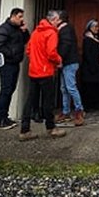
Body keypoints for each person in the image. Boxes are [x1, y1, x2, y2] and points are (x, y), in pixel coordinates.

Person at [21, 11, 67, 141]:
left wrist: (35, 60)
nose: (59, 22)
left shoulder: (36, 32)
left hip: (33, 71)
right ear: (53, 20)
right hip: (45, 72)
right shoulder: (51, 33)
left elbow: (28, 50)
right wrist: (59, 61)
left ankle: (25, 130)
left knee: (30, 100)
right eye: (58, 20)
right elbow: (51, 52)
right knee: (48, 101)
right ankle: (51, 128)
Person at [0, 8, 29, 130]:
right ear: (13, 16)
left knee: (10, 89)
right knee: (5, 90)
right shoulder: (4, 29)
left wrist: (24, 31)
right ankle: (0, 119)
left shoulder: (17, 29)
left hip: (15, 63)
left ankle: (5, 117)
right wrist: (11, 53)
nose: (22, 19)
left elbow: (26, 40)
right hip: (6, 64)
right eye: (20, 17)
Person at [56, 10, 84, 126]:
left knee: (71, 87)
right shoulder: (64, 29)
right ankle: (66, 111)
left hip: (69, 63)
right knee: (64, 88)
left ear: (60, 19)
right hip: (67, 62)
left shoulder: (66, 29)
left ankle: (79, 110)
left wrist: (59, 58)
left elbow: (65, 46)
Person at [79, 19, 99, 111]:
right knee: (89, 87)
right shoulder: (87, 39)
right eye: (95, 27)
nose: (97, 28)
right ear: (90, 28)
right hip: (90, 67)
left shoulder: (98, 38)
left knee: (97, 86)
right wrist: (92, 66)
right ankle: (88, 105)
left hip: (98, 66)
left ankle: (97, 104)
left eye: (97, 26)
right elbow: (87, 54)